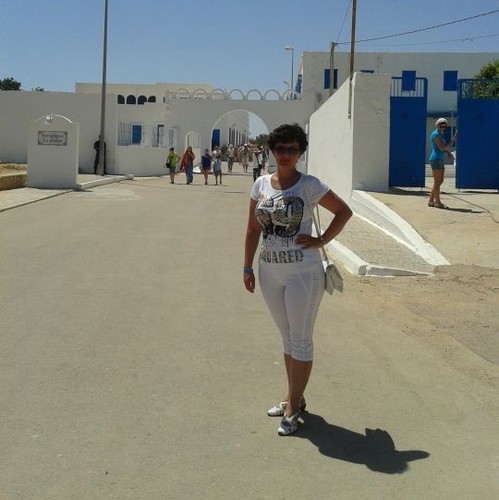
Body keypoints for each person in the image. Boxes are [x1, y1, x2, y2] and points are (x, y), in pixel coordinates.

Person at [243, 123, 352, 436]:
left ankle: (292, 407)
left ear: (301, 152)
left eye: (292, 149)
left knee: (301, 338)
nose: (286, 154)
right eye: (280, 149)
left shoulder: (309, 185)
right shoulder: (260, 184)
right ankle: (294, 397)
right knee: (287, 337)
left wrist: (321, 240)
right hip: (269, 272)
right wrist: (247, 267)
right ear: (272, 151)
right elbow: (252, 229)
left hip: (303, 272)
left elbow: (343, 212)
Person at [428, 118, 454, 209]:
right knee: (438, 182)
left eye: (444, 126)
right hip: (436, 159)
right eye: (441, 126)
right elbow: (442, 148)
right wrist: (451, 142)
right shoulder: (435, 135)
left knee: (438, 181)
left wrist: (448, 153)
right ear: (437, 125)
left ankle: (431, 201)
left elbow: (442, 149)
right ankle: (438, 202)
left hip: (439, 159)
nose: (443, 127)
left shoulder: (440, 134)